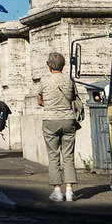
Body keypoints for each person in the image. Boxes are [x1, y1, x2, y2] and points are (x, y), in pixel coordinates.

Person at [37, 52, 78, 202]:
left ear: (49, 65)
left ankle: (57, 191)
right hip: (68, 119)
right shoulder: (69, 80)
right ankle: (69, 190)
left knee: (53, 155)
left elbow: (40, 101)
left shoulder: (44, 80)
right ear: (63, 65)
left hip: (50, 120)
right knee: (68, 155)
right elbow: (73, 97)